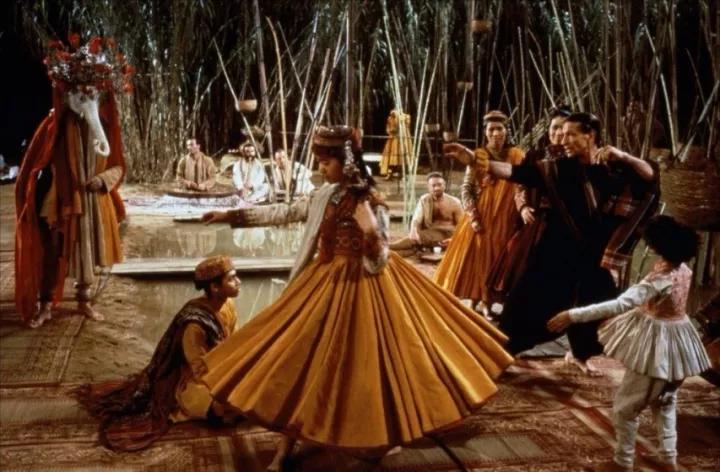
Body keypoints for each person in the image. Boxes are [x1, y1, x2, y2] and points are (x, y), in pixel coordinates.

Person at [201, 125, 512, 468]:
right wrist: (230, 215)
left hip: (366, 287)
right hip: (323, 281)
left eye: (326, 163)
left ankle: (378, 432)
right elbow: (284, 212)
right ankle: (286, 445)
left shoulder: (371, 201)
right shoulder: (325, 195)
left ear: (346, 162)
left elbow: (379, 261)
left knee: (370, 365)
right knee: (299, 356)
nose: (321, 169)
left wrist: (370, 230)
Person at [444, 112, 658, 374]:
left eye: (570, 134)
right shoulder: (558, 168)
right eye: (561, 133)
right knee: (528, 300)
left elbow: (649, 177)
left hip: (595, 253)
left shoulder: (613, 168)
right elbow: (515, 172)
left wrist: (624, 156)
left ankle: (579, 353)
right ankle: (503, 352)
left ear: (589, 135)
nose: (562, 140)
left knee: (593, 303)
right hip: (556, 247)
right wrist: (474, 160)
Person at [548, 216, 710, 472]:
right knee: (665, 401)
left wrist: (572, 315)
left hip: (659, 347)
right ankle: (668, 458)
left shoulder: (660, 279)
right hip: (678, 341)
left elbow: (620, 304)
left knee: (625, 409)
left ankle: (622, 462)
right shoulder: (684, 270)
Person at [15, 35, 130, 328]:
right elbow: (36, 163)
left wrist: (102, 180)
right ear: (68, 95)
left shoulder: (105, 126)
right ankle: (44, 304)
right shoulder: (54, 125)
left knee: (87, 250)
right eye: (79, 93)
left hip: (93, 198)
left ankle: (83, 300)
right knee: (52, 251)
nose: (86, 99)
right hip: (60, 199)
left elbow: (118, 165)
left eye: (91, 93)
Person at [74, 255, 241, 451]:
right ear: (215, 287)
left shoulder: (228, 306)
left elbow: (234, 342)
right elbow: (199, 369)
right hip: (195, 381)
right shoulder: (195, 325)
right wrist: (228, 379)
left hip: (222, 369)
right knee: (222, 404)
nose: (238, 282)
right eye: (231, 279)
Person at [433, 110, 524, 315]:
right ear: (485, 132)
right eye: (491, 129)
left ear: (506, 130)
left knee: (500, 260)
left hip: (506, 217)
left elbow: (523, 183)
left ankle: (490, 301)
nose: (495, 133)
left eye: (499, 128)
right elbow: (467, 189)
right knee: (479, 259)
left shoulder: (517, 155)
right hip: (481, 216)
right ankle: (479, 300)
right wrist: (473, 216)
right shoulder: (478, 156)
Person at [486, 106, 571, 306]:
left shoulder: (575, 158)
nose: (558, 133)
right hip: (535, 218)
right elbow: (520, 185)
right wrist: (523, 207)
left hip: (564, 223)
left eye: (563, 128)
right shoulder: (535, 156)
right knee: (519, 260)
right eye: (554, 127)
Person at [389, 172, 462, 257]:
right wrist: (413, 230)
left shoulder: (454, 202)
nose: (437, 188)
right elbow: (417, 218)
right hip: (430, 233)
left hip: (448, 235)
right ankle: (388, 254)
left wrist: (453, 239)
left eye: (439, 185)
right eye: (433, 185)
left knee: (420, 237)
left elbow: (462, 225)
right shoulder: (425, 200)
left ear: (444, 185)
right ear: (428, 187)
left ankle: (388, 247)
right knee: (414, 245)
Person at [380, 109, 413, 179]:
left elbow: (405, 126)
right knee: (391, 156)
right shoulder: (390, 118)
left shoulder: (406, 117)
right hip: (393, 139)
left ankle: (402, 174)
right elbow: (388, 127)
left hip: (402, 139)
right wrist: (390, 131)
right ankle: (390, 173)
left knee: (401, 156)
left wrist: (397, 117)